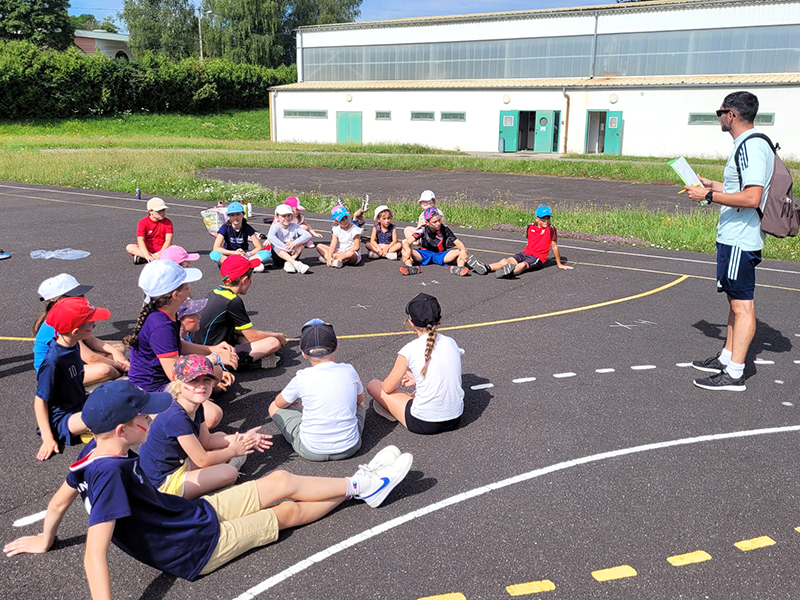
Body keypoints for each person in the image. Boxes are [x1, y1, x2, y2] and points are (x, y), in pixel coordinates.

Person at [3, 380, 414, 594]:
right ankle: (362, 489)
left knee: (281, 480)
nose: (151, 421)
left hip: (189, 516)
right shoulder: (109, 474)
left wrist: (45, 537)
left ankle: (359, 484)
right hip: (193, 547)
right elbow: (95, 555)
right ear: (122, 429)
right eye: (144, 418)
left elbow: (59, 502)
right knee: (284, 511)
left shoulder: (91, 452)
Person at [686, 92, 775, 392]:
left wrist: (708, 196)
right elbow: (740, 188)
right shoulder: (747, 145)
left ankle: (734, 373)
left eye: (720, 112)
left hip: (740, 239)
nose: (719, 117)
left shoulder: (751, 146)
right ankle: (727, 357)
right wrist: (710, 185)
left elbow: (752, 197)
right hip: (732, 237)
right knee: (733, 302)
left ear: (732, 115)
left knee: (742, 306)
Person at [138, 355, 272, 499]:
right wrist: (233, 450)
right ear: (178, 386)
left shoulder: (197, 406)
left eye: (206, 380)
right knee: (229, 473)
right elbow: (203, 460)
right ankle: (212, 488)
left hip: (178, 464)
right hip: (163, 483)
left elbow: (206, 441)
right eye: (193, 380)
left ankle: (224, 466)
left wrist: (245, 438)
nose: (201, 385)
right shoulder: (175, 417)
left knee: (221, 436)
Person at [125, 260, 238, 421]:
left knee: (217, 372)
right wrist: (215, 358)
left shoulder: (165, 314)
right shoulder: (161, 326)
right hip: (152, 391)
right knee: (213, 415)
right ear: (176, 295)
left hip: (161, 383)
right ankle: (156, 426)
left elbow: (178, 345)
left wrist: (212, 349)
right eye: (186, 285)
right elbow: (175, 374)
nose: (189, 288)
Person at [268, 319, 365, 461]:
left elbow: (280, 403)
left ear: (304, 353)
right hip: (349, 448)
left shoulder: (302, 377)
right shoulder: (349, 370)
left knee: (273, 406)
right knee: (360, 404)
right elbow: (359, 400)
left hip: (312, 450)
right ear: (336, 346)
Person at [367, 293, 464, 434]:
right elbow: (441, 369)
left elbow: (387, 388)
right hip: (455, 418)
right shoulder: (451, 342)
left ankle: (394, 410)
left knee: (374, 385)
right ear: (440, 319)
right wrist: (417, 378)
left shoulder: (409, 350)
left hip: (423, 422)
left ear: (411, 323)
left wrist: (404, 378)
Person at [34, 297, 111, 460]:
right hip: (61, 419)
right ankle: (88, 428)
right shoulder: (53, 362)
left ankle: (91, 424)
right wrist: (47, 438)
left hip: (79, 402)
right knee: (107, 415)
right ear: (76, 332)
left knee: (119, 395)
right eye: (91, 323)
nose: (95, 326)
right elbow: (39, 401)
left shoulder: (73, 344)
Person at [191, 255, 286, 370]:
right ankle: (239, 363)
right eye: (251, 278)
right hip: (213, 352)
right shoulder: (232, 301)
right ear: (245, 280)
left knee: (243, 337)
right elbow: (253, 336)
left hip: (201, 346)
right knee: (273, 343)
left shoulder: (215, 293)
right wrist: (278, 336)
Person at [33, 274, 128, 385]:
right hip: (56, 373)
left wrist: (115, 352)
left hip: (71, 361)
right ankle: (116, 379)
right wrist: (121, 367)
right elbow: (90, 358)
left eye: (81, 294)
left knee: (119, 348)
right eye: (75, 295)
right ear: (55, 300)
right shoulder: (60, 321)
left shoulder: (72, 313)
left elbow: (92, 341)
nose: (81, 297)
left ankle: (106, 379)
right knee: (106, 370)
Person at [466, 205, 573, 278]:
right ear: (536, 218)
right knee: (506, 260)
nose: (546, 221)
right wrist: (526, 251)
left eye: (548, 218)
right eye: (543, 219)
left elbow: (554, 247)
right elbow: (530, 241)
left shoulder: (551, 229)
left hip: (537, 258)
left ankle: (509, 273)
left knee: (523, 265)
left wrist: (560, 264)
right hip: (525, 253)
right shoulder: (530, 227)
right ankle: (486, 267)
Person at [177, 298, 235, 394]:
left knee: (218, 370)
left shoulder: (185, 336)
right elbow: (187, 367)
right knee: (217, 370)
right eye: (193, 315)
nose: (199, 317)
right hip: (180, 385)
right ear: (179, 321)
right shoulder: (176, 341)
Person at [400, 207, 468, 276]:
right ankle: (410, 267)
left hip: (441, 254)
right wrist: (408, 249)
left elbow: (458, 243)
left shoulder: (444, 229)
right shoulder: (423, 229)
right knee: (404, 250)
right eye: (434, 222)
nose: (438, 223)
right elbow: (407, 242)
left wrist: (462, 251)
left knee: (462, 251)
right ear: (427, 222)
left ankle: (459, 268)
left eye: (439, 220)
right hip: (424, 254)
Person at [210, 202, 269, 273]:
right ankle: (246, 266)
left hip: (244, 255)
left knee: (266, 253)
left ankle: (236, 266)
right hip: (229, 255)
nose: (235, 217)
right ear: (228, 216)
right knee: (213, 254)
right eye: (232, 215)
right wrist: (234, 253)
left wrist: (248, 254)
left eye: (238, 214)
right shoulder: (225, 228)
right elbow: (216, 248)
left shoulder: (247, 227)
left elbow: (259, 247)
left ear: (243, 214)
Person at [126, 198, 173, 265]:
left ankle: (146, 258)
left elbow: (168, 240)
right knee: (129, 247)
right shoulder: (143, 222)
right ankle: (151, 257)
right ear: (150, 211)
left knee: (177, 249)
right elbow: (140, 240)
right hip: (147, 248)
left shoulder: (168, 222)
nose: (162, 213)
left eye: (163, 210)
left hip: (162, 247)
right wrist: (147, 254)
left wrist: (160, 253)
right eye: (159, 211)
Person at [267, 204, 312, 273]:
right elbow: (271, 237)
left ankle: (289, 262)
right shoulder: (275, 227)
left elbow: (308, 235)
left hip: (293, 253)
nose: (287, 218)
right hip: (279, 256)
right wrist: (287, 249)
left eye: (289, 215)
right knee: (275, 246)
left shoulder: (294, 226)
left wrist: (295, 242)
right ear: (277, 217)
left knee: (301, 245)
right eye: (283, 216)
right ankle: (297, 264)